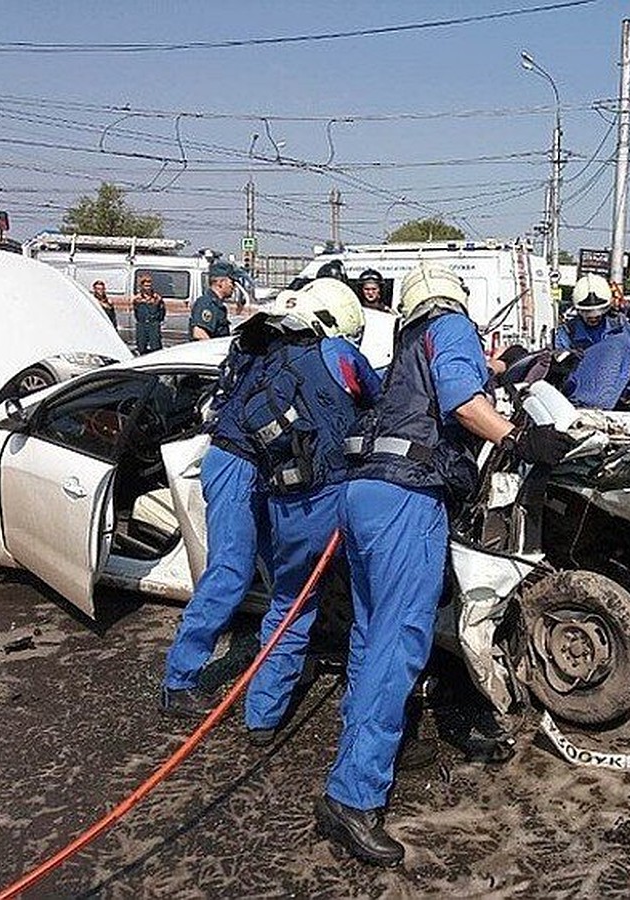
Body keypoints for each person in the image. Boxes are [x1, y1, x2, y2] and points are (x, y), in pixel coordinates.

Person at [317, 262, 574, 867]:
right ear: (454, 301)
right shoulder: (450, 324)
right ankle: (352, 796)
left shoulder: (407, 341)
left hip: (361, 496)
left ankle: (363, 749)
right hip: (406, 499)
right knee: (400, 643)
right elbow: (462, 401)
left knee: (368, 637)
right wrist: (517, 438)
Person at [239, 279, 381, 745]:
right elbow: (377, 400)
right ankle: (360, 718)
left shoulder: (266, 359)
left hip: (285, 504)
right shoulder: (338, 353)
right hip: (337, 499)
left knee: (287, 605)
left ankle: (262, 714)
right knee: (369, 610)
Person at [159, 306, 273, 717]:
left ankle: (286, 646)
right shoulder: (266, 357)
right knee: (230, 572)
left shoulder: (257, 352)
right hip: (236, 463)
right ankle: (179, 681)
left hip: (251, 466)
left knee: (281, 568)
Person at [553, 274, 627, 351]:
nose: (593, 317)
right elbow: (559, 354)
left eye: (598, 312)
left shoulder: (619, 327)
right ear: (579, 310)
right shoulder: (567, 332)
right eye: (587, 312)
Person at [190, 260, 236, 341]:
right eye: (231, 282)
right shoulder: (207, 303)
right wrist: (214, 350)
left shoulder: (218, 305)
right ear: (220, 283)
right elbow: (199, 333)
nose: (233, 287)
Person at [133, 273, 165, 355]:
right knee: (141, 346)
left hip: (153, 324)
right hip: (142, 324)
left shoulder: (157, 298)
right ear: (142, 286)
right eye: (146, 286)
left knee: (155, 347)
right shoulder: (137, 299)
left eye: (149, 286)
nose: (148, 288)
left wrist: (156, 320)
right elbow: (136, 312)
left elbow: (162, 312)